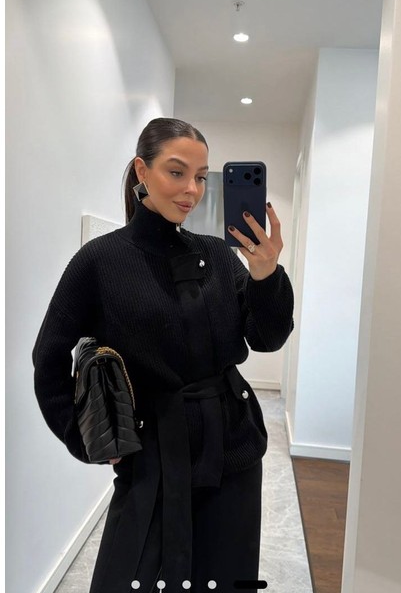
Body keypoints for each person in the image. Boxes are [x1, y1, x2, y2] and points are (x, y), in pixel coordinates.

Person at [32, 117, 294, 593]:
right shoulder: (100, 260)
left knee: (224, 576)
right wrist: (87, 439)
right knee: (129, 575)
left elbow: (267, 338)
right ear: (142, 171)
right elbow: (48, 358)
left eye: (201, 176)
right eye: (177, 172)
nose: (192, 190)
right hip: (151, 453)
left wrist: (266, 275)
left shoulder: (219, 255)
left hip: (232, 448)